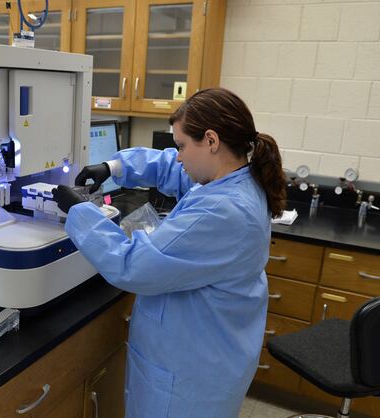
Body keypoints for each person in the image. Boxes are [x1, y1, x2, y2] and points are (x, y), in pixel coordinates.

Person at [51, 88, 286, 418]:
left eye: (181, 146)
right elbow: (171, 168)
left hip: (190, 375)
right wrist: (114, 166)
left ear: (211, 140)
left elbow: (131, 265)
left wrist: (81, 211)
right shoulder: (233, 178)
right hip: (210, 350)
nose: (177, 156)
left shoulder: (222, 211)